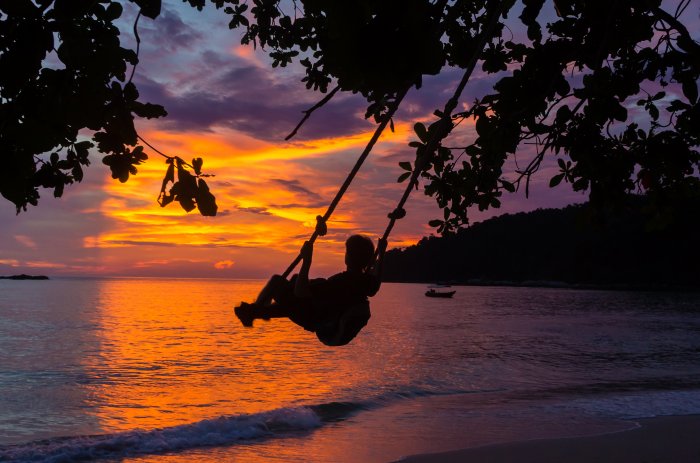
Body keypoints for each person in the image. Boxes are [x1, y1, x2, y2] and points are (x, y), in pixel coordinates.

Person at [234, 235, 387, 345]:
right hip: (323, 318)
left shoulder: (340, 282)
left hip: (318, 321)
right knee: (291, 296)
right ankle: (258, 312)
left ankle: (255, 312)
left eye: (347, 252)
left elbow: (301, 292)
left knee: (277, 282)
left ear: (349, 257)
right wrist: (381, 253)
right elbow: (375, 286)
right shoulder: (364, 281)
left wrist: (307, 260)